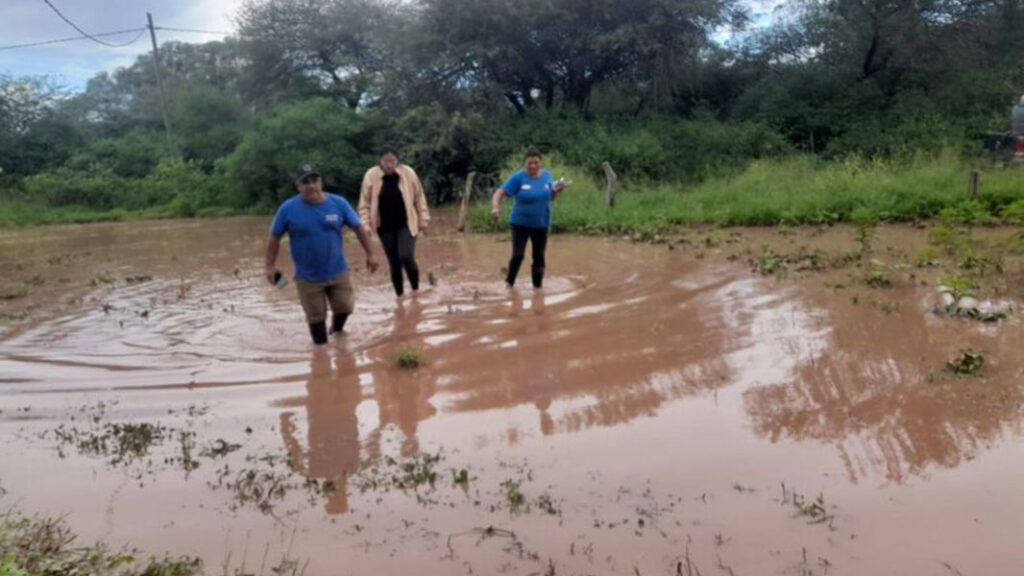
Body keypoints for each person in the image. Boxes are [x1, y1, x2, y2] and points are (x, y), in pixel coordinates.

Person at [265, 163, 379, 345]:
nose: (311, 186)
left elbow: (358, 228)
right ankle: (321, 354)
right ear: (298, 186)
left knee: (345, 307)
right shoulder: (288, 209)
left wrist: (371, 254)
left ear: (321, 182)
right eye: (305, 182)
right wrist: (269, 266)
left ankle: (336, 330)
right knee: (316, 317)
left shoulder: (338, 203)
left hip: (338, 270)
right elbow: (274, 238)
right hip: (307, 276)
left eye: (314, 181)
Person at [358, 147, 431, 298]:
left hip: (406, 223)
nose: (389, 165)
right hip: (384, 226)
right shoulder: (371, 175)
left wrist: (423, 218)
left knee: (406, 256)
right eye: (386, 161)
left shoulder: (408, 173)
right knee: (394, 262)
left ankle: (415, 290)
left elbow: (419, 197)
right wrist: (365, 224)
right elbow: (364, 204)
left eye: (392, 161)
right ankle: (400, 296)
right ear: (380, 161)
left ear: (397, 161)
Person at [490, 147, 566, 288]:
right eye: (529, 163)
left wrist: (556, 192)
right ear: (524, 163)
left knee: (539, 257)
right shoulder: (518, 178)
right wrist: (495, 208)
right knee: (518, 255)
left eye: (536, 162)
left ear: (540, 163)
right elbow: (499, 193)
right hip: (520, 224)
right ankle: (509, 284)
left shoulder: (547, 176)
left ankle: (538, 289)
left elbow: (550, 197)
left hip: (541, 224)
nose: (533, 166)